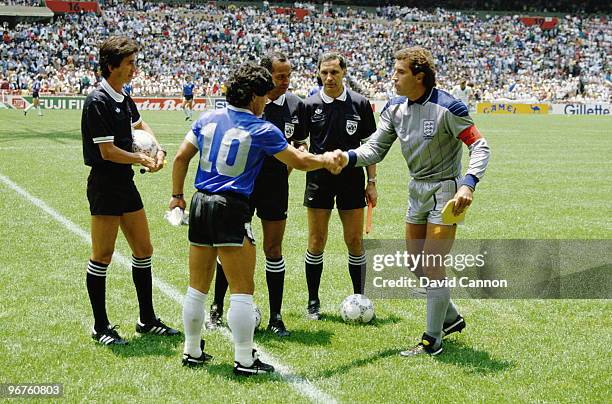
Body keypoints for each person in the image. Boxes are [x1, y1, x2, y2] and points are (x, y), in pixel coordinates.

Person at [170, 62, 342, 374]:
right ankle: (244, 359)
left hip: (198, 203)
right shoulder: (261, 128)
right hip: (231, 206)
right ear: (252, 97)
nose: (265, 101)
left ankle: (192, 349)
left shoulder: (207, 118)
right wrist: (325, 160)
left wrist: (176, 196)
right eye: (263, 96)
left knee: (197, 286)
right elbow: (299, 160)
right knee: (243, 288)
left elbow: (181, 157)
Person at [338, 46, 491, 356]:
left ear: (419, 76)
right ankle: (450, 318)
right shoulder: (395, 108)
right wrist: (347, 157)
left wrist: (468, 184)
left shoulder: (449, 107)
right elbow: (375, 150)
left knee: (433, 265)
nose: (393, 77)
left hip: (446, 191)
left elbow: (480, 146)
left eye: (400, 72)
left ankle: (432, 340)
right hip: (416, 190)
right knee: (415, 263)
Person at [81, 36, 179, 346]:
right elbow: (108, 152)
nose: (134, 69)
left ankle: (146, 320)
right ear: (111, 66)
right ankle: (100, 327)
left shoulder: (124, 97)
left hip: (125, 182)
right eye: (129, 64)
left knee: (144, 249)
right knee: (103, 255)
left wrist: (159, 149)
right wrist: (140, 157)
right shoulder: (97, 101)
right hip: (105, 185)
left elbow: (142, 125)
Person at [208, 52, 307, 337]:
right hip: (243, 187)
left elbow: (299, 146)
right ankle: (216, 307)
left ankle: (276, 317)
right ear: (266, 76)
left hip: (275, 187)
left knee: (273, 250)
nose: (286, 81)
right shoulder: (250, 106)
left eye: (289, 75)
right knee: (231, 247)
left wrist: (284, 174)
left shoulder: (296, 106)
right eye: (280, 76)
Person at [302, 52, 377, 320]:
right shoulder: (309, 105)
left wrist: (372, 182)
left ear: (344, 72)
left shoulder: (360, 103)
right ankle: (313, 302)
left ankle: (361, 297)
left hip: (352, 178)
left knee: (354, 240)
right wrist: (315, 161)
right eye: (324, 73)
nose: (329, 78)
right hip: (318, 180)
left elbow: (371, 148)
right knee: (316, 240)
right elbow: (300, 144)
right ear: (319, 74)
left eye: (334, 72)